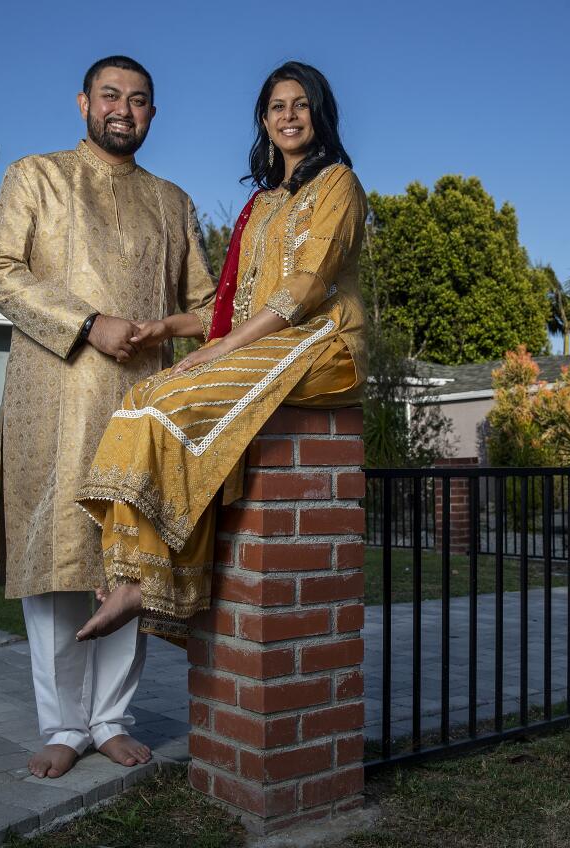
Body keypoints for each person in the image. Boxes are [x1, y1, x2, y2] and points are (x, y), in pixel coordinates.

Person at [75, 61, 366, 643]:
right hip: (265, 340)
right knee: (146, 397)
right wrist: (162, 329)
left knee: (178, 403)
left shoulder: (337, 184)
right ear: (263, 118)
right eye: (278, 106)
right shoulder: (258, 206)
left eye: (301, 104)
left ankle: (151, 585)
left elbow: (307, 285)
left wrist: (225, 349)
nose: (289, 116)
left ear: (320, 114)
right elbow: (230, 309)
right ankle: (140, 575)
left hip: (325, 342)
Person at [0, 55, 215, 779]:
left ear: (153, 113)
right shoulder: (35, 176)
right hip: (51, 401)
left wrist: (157, 328)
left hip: (142, 406)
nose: (123, 108)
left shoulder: (172, 202)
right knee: (57, 565)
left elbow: (209, 309)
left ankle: (110, 719)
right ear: (83, 101)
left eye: (139, 99)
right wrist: (89, 322)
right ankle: (62, 726)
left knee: (127, 560)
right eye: (110, 95)